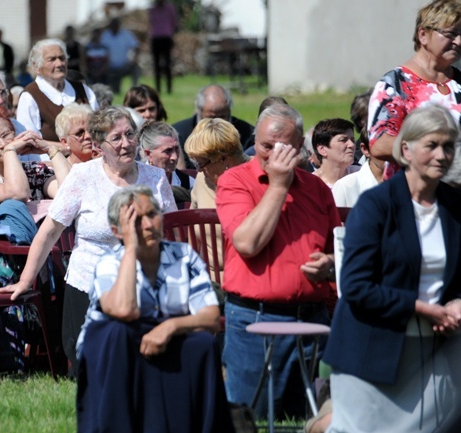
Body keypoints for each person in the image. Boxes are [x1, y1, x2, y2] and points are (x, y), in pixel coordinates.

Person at [0, 107, 176, 377]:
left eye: (129, 135)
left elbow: (171, 233)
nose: (125, 143)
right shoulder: (83, 176)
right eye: (116, 138)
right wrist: (24, 281)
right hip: (89, 283)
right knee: (91, 369)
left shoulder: (155, 178)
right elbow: (49, 232)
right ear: (100, 146)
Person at [324, 104, 461, 432]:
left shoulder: (455, 207)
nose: (442, 155)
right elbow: (355, 286)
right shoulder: (376, 205)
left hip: (439, 348)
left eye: (449, 146)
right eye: (432, 145)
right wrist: (422, 308)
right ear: (405, 150)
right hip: (373, 347)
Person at [216, 104, 340, 419]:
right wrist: (278, 186)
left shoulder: (316, 189)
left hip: (311, 320)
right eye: (264, 146)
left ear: (300, 148)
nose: (270, 155)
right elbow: (247, 243)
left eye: (281, 147)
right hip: (253, 320)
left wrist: (329, 262)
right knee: (248, 418)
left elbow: (340, 249)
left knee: (313, 419)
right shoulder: (235, 181)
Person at [76, 185, 233, 432]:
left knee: (203, 343)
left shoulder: (184, 256)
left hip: (166, 337)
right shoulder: (109, 262)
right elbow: (123, 311)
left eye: (152, 214)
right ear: (118, 231)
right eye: (136, 220)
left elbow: (211, 316)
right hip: (114, 344)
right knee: (119, 332)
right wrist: (130, 250)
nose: (148, 225)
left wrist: (171, 326)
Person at [368, 0, 461, 179]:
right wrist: (438, 152)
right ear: (423, 35)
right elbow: (380, 144)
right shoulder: (395, 84)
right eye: (451, 34)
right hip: (412, 194)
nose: (458, 41)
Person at [0, 105, 70, 223]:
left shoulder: (33, 170)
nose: (3, 144)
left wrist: (51, 149)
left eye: (6, 135)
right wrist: (10, 150)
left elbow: (69, 193)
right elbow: (17, 194)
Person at [184, 118, 248, 282]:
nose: (198, 169)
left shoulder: (259, 178)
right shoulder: (202, 179)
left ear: (224, 159)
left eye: (202, 163)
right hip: (208, 281)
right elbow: (193, 235)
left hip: (249, 279)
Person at [16, 38, 98, 145]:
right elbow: (29, 142)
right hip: (49, 160)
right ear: (36, 66)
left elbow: (99, 129)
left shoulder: (83, 90)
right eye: (52, 59)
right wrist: (67, 149)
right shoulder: (30, 96)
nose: (59, 64)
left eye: (62, 58)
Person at [173, 84, 255, 169]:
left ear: (229, 111)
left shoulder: (248, 135)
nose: (216, 122)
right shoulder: (179, 134)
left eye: (222, 117)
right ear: (200, 112)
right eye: (210, 117)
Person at [139, 120, 193, 205]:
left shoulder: (188, 183)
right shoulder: (134, 181)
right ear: (148, 154)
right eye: (168, 151)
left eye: (176, 148)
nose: (174, 157)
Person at [331, 129, 383, 208]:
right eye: (382, 146)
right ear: (365, 149)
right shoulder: (345, 187)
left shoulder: (404, 182)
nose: (392, 153)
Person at [311, 118, 357, 188]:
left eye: (352, 140)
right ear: (322, 149)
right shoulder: (310, 185)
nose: (352, 145)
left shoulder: (363, 175)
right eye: (343, 140)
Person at [100, 17, 140, 93]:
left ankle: (135, 90)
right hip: (110, 67)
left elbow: (136, 46)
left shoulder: (126, 34)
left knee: (136, 68)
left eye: (116, 25)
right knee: (115, 90)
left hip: (124, 66)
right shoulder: (105, 35)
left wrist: (134, 58)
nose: (115, 27)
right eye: (113, 25)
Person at [149, 0, 177, 94]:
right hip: (156, 38)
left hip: (166, 38)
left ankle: (169, 88)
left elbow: (174, 22)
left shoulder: (169, 8)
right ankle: (158, 88)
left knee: (167, 65)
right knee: (156, 65)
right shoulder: (152, 9)